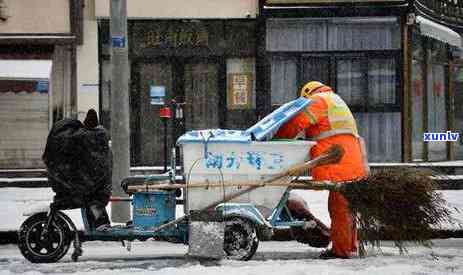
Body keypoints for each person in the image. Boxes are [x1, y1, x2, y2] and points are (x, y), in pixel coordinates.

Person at [275, 81, 369, 259]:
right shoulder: (335, 100)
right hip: (350, 159)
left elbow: (298, 122)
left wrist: (278, 137)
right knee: (347, 207)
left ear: (307, 94)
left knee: (339, 207)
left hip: (339, 161)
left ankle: (340, 251)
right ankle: (349, 246)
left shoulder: (319, 100)